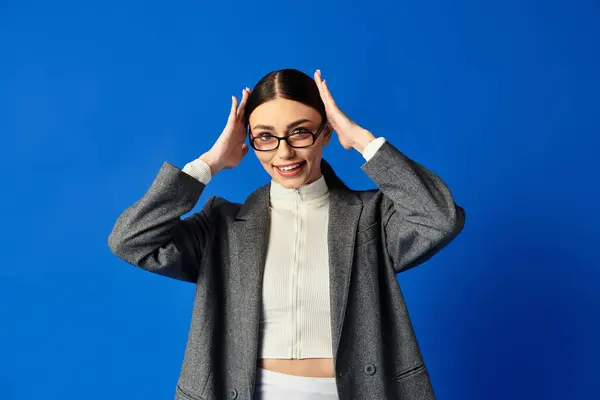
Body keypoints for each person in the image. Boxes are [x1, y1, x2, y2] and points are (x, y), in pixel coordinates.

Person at [108, 68, 466, 400]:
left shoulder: (371, 217)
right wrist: (209, 163)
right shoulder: (222, 224)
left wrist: (362, 141)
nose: (284, 151)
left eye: (299, 131)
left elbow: (439, 219)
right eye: (265, 137)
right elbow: (131, 240)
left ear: (325, 131)